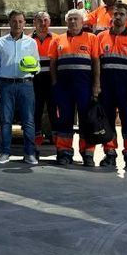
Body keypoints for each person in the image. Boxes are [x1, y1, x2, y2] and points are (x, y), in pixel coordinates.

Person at [49, 9, 101, 166]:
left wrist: (96, 84)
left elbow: (96, 63)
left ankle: (88, 154)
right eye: (70, 19)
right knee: (64, 120)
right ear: (66, 21)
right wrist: (54, 83)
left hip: (84, 87)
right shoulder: (57, 40)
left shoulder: (91, 38)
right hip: (64, 88)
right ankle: (64, 153)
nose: (73, 21)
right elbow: (53, 64)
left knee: (87, 120)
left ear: (82, 21)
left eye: (76, 19)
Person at [96, 2, 127, 169]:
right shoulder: (100, 37)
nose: (117, 16)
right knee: (107, 122)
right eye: (115, 14)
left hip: (126, 87)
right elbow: (97, 64)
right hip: (106, 87)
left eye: (121, 14)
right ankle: (109, 154)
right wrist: (97, 86)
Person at [0, 10, 40, 165]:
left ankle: (30, 154)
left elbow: (37, 65)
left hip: (26, 85)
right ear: (9, 23)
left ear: (25, 23)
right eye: (14, 21)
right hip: (6, 85)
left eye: (20, 21)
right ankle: (5, 153)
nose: (17, 24)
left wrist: (32, 68)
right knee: (5, 120)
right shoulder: (0, 42)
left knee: (29, 121)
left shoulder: (31, 43)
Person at [32, 11, 57, 149]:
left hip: (52, 79)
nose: (43, 23)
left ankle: (55, 137)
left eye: (46, 20)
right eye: (39, 20)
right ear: (34, 23)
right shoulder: (28, 40)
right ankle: (36, 137)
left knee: (54, 109)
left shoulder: (57, 39)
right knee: (36, 109)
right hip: (35, 80)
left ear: (50, 22)